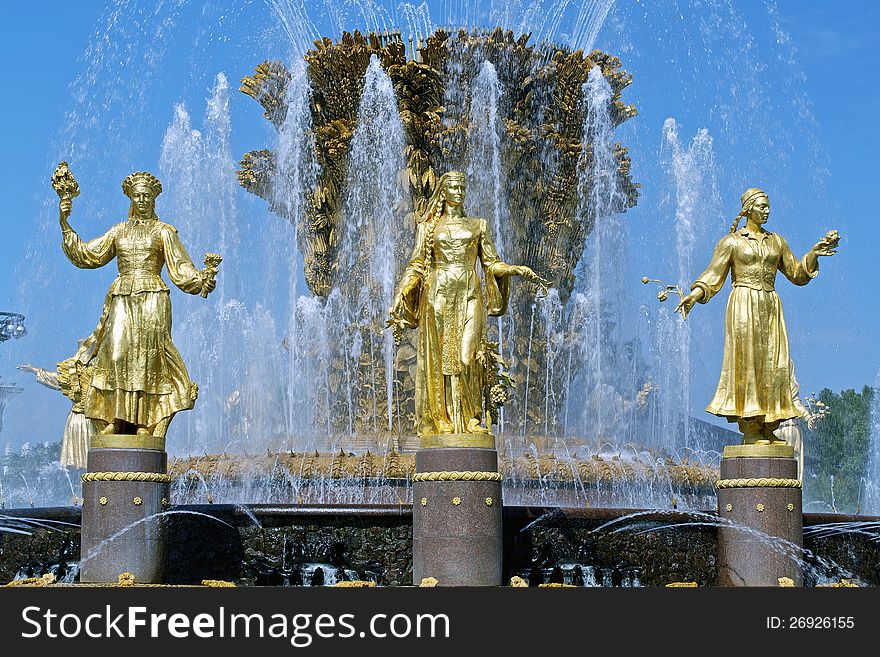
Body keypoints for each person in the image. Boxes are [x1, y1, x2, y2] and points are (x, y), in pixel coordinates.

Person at [57, 170, 218, 438]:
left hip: (153, 296)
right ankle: (116, 417)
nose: (142, 200)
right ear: (131, 199)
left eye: (147, 196)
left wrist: (201, 280)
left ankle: (147, 421)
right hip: (122, 295)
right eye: (137, 196)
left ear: (154, 200)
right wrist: (64, 221)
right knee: (116, 354)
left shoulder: (164, 231)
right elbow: (89, 254)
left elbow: (180, 268)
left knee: (150, 357)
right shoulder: (119, 231)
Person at [388, 171, 549, 437]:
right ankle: (444, 421)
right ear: (443, 191)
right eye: (453, 187)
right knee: (441, 360)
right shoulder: (428, 228)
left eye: (462, 187)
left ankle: (471, 418)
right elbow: (417, 265)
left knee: (468, 356)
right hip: (438, 295)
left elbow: (491, 262)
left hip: (469, 292)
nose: (459, 191)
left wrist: (514, 270)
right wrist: (401, 293)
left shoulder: (478, 225)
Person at [675, 187, 838, 444]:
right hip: (743, 304)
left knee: (774, 363)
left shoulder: (776, 241)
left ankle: (768, 424)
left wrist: (814, 254)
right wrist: (695, 295)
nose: (767, 211)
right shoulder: (732, 242)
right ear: (749, 208)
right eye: (762, 206)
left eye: (768, 206)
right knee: (747, 362)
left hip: (770, 307)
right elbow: (713, 275)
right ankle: (750, 427)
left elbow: (797, 274)